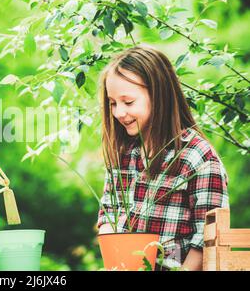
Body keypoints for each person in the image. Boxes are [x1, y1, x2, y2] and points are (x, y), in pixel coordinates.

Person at [97, 45, 229, 270]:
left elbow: (206, 242)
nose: (118, 112)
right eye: (113, 103)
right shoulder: (124, 154)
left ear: (159, 96)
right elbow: (108, 215)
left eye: (128, 102)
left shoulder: (198, 158)